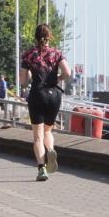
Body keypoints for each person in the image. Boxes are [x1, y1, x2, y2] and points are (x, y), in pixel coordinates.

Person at [20, 23, 72, 182]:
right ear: (50, 37)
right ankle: (50, 149)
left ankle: (42, 168)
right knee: (48, 131)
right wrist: (57, 78)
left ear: (35, 37)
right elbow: (68, 72)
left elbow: (23, 82)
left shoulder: (28, 55)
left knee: (37, 136)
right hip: (54, 95)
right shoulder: (57, 53)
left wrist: (30, 78)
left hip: (37, 95)